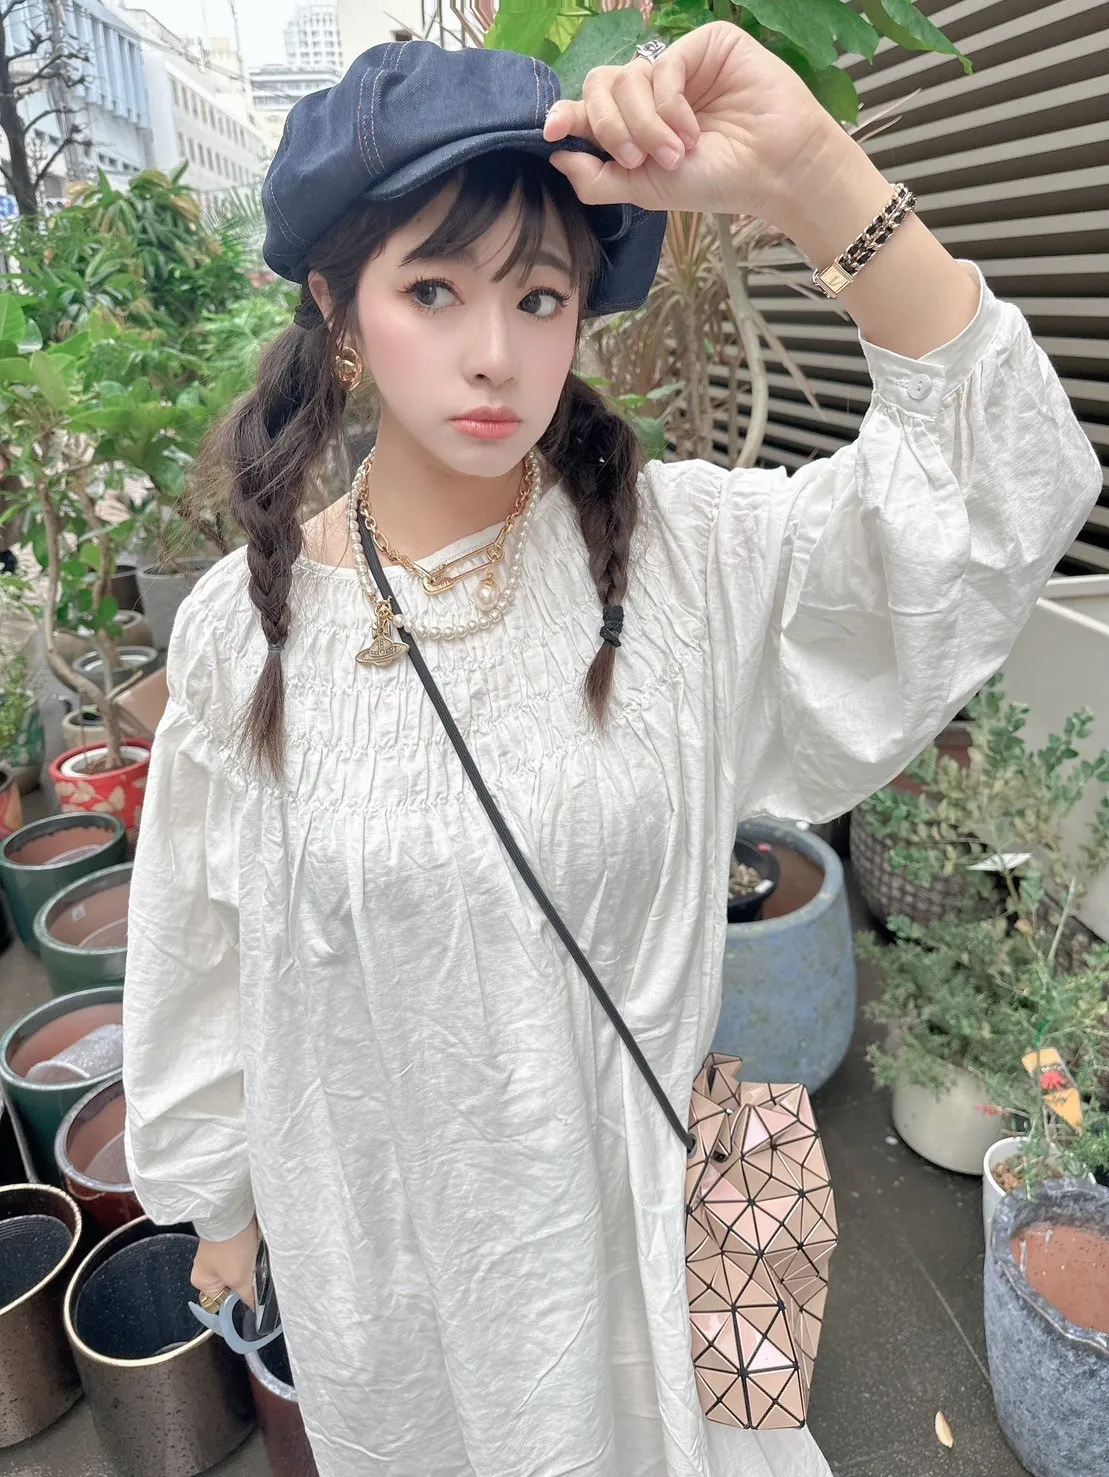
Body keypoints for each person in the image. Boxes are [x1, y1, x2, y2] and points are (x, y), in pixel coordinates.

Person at [122, 24, 1101, 1477]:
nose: (494, 354)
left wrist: (812, 173)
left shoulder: (684, 561)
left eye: (540, 294)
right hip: (397, 1276)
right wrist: (217, 1204)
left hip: (646, 1264)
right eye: (433, 289)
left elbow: (991, 494)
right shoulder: (239, 635)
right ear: (337, 308)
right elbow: (201, 951)